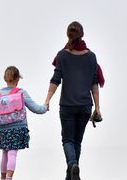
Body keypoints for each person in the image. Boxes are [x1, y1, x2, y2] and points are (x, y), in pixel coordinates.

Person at [45, 21, 104, 180]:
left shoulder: (62, 55)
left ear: (68, 35)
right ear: (82, 35)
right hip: (85, 106)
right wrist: (97, 107)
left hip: (67, 106)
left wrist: (47, 100)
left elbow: (55, 80)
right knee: (77, 141)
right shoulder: (91, 57)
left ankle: (72, 165)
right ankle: (71, 174)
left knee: (68, 140)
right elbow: (94, 84)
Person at [0, 66, 47, 180]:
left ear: (5, 78)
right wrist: (45, 107)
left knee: (5, 153)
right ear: (18, 79)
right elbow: (36, 108)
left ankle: (2, 178)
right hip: (17, 127)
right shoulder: (21, 92)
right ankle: (9, 178)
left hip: (1, 128)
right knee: (12, 153)